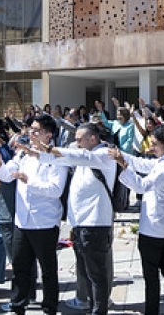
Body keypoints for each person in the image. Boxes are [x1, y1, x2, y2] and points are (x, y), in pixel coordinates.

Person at [0, 113, 67, 315]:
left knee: (48, 268)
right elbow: (6, 175)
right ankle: (18, 303)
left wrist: (29, 181)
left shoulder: (57, 158)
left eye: (37, 130)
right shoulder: (22, 154)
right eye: (31, 129)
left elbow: (55, 189)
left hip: (44, 221)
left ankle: (50, 305)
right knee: (20, 265)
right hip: (22, 220)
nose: (32, 133)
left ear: (48, 135)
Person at [37, 122, 116, 315]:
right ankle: (91, 307)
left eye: (80, 140)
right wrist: (37, 153)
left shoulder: (103, 155)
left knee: (97, 274)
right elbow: (64, 160)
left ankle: (99, 310)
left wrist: (50, 148)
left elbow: (79, 156)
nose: (76, 143)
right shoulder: (84, 159)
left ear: (93, 139)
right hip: (81, 224)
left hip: (96, 224)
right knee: (87, 273)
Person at [109, 125, 164, 315]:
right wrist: (121, 154)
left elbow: (142, 186)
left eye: (154, 144)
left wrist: (122, 165)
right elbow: (142, 164)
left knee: (153, 277)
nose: (151, 148)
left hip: (154, 230)